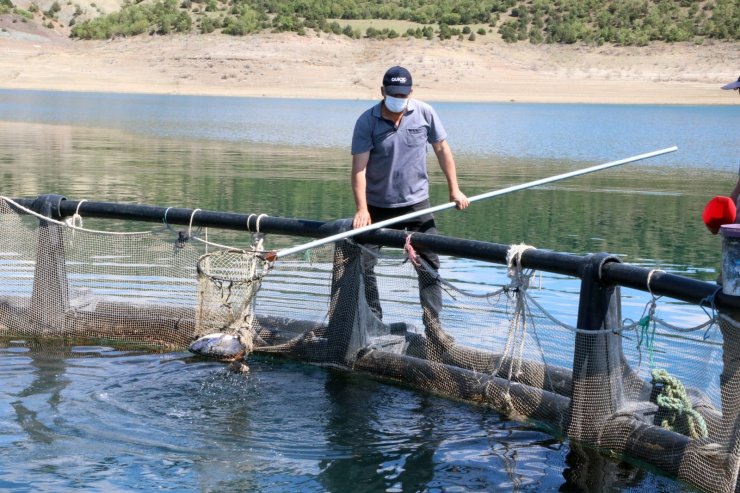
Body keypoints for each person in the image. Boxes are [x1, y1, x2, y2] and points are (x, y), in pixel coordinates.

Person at [350, 65, 470, 351]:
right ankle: (372, 319)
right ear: (382, 92)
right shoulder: (366, 121)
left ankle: (433, 327)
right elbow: (359, 168)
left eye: (403, 94)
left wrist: (454, 189)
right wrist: (361, 208)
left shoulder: (425, 113)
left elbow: (442, 149)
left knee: (429, 264)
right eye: (392, 94)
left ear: (411, 93)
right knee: (363, 264)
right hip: (378, 206)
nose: (398, 99)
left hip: (416, 205)